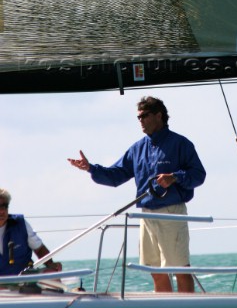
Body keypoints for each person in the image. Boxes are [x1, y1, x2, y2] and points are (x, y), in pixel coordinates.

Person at [68, 96, 206, 293]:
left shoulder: (181, 144)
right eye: (138, 117)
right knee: (154, 270)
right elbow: (115, 176)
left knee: (180, 269)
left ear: (159, 116)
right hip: (146, 215)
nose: (140, 120)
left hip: (171, 212)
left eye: (144, 116)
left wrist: (174, 177)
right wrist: (91, 168)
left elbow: (198, 175)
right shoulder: (137, 149)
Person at [0, 188, 62, 275]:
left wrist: (50, 264)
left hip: (26, 281)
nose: (2, 211)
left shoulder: (21, 224)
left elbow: (39, 249)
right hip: (2, 284)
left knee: (52, 273)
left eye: (4, 206)